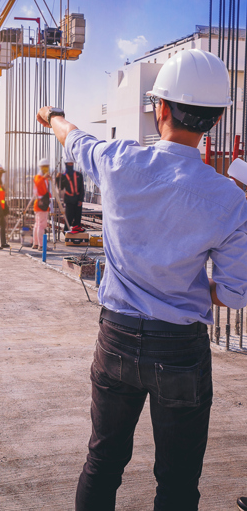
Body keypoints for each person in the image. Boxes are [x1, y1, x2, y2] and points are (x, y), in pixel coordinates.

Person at [36, 49, 247, 511]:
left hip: (116, 338)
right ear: (214, 118)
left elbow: (74, 138)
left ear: (162, 108)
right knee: (176, 484)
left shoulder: (118, 161)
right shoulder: (229, 199)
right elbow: (232, 292)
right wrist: (182, 287)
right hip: (180, 351)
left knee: (102, 462)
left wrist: (53, 116)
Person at [56, 160, 85, 230]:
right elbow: (61, 188)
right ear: (66, 164)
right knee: (68, 218)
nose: (70, 165)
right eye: (69, 163)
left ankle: (77, 231)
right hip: (69, 200)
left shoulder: (78, 175)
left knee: (77, 218)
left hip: (77, 199)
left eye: (71, 163)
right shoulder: (63, 176)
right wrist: (58, 179)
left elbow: (81, 188)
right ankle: (66, 231)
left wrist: (80, 200)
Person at [32, 157, 50, 250]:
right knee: (41, 225)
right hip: (41, 204)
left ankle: (36, 244)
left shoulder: (43, 178)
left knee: (37, 224)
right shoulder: (39, 177)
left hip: (40, 204)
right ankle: (41, 245)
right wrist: (44, 178)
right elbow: (38, 184)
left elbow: (45, 191)